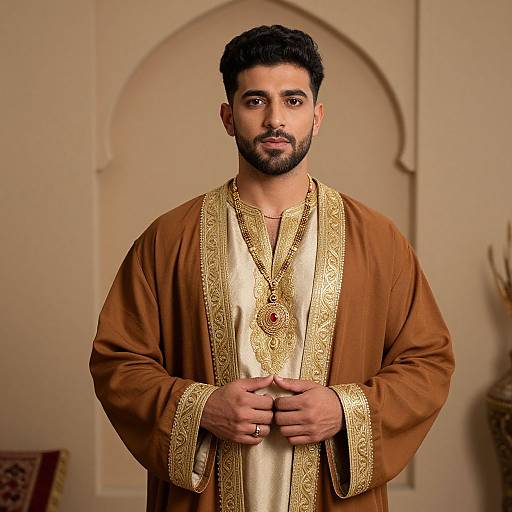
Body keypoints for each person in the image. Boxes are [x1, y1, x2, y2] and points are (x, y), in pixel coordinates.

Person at [90, 25, 454, 512]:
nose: (275, 119)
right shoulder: (169, 238)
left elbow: (428, 362)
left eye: (294, 100)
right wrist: (201, 407)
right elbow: (118, 361)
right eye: (256, 101)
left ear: (318, 116)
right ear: (227, 115)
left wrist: (344, 410)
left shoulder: (378, 241)